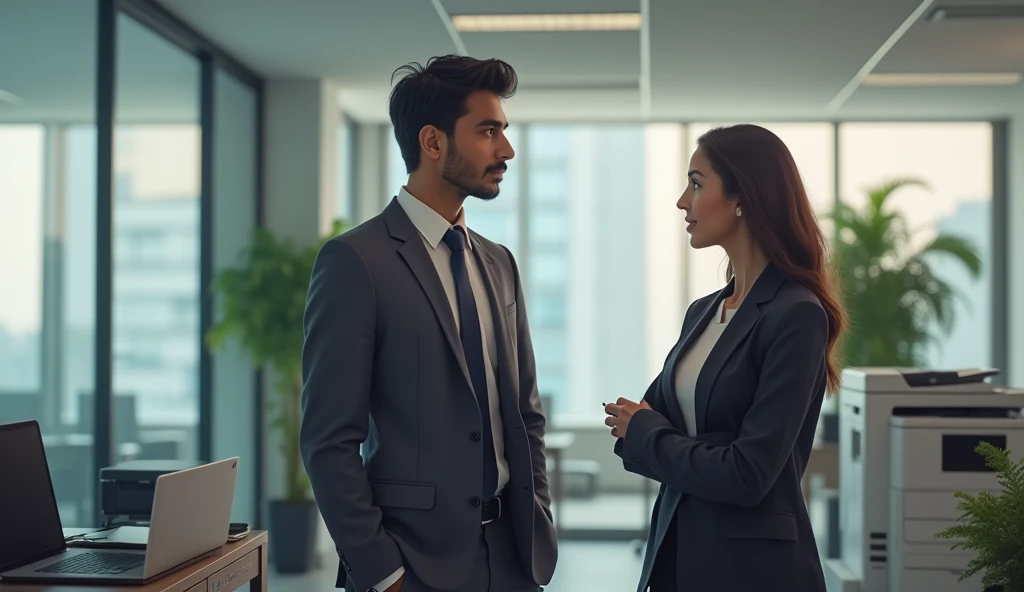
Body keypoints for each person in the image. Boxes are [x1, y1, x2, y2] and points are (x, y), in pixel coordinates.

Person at [300, 55, 556, 592]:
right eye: (488, 132)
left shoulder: (498, 263)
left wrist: (537, 523)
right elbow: (328, 440)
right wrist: (381, 570)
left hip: (512, 560)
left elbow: (525, 414)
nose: (506, 150)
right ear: (433, 142)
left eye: (504, 132)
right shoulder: (356, 261)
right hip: (410, 566)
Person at [604, 124, 846, 592]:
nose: (681, 201)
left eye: (696, 183)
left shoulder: (796, 314)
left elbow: (748, 474)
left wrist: (653, 436)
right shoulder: (705, 312)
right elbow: (637, 430)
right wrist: (676, 441)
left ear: (743, 198)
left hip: (752, 569)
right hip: (677, 554)